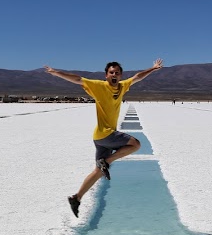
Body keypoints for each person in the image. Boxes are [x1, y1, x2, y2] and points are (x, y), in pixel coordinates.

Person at [44, 58, 164, 217]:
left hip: (100, 138)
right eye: (111, 72)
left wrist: (152, 69)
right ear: (106, 75)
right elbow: (77, 79)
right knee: (135, 144)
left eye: (117, 73)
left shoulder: (122, 86)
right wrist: (56, 73)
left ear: (120, 75)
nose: (114, 75)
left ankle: (76, 198)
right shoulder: (98, 86)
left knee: (98, 172)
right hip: (105, 134)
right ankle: (106, 162)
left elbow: (137, 77)